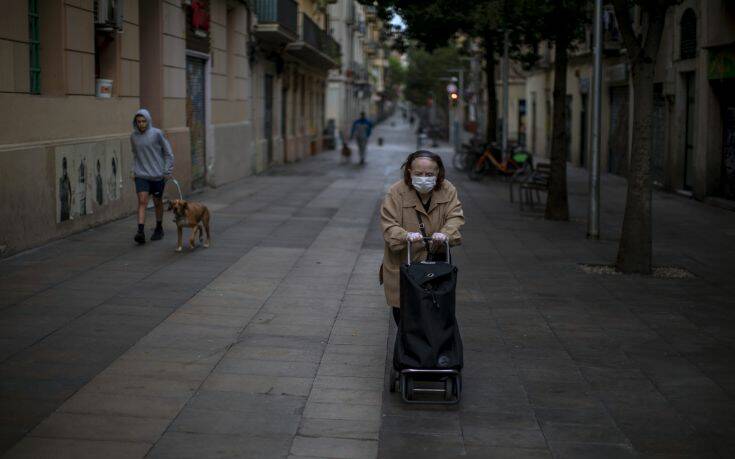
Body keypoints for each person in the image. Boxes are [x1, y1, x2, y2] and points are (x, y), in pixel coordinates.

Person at [379, 150, 465, 324]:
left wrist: (446, 233)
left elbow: (455, 216)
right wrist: (405, 235)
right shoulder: (396, 192)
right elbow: (388, 224)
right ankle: (407, 350)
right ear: (409, 172)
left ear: (438, 173)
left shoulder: (448, 190)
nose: (424, 178)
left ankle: (431, 350)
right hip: (405, 263)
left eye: (429, 174)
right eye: (418, 173)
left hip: (436, 263)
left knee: (435, 316)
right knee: (404, 317)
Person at [130, 109, 174, 244]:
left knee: (157, 202)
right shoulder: (133, 137)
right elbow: (135, 154)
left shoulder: (157, 134)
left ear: (148, 121)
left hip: (157, 175)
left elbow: (168, 153)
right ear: (135, 123)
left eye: (143, 121)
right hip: (141, 174)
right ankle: (140, 231)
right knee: (142, 201)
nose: (141, 124)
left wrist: (167, 170)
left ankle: (159, 227)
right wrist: (133, 170)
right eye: (138, 122)